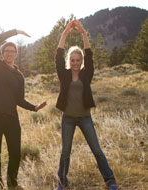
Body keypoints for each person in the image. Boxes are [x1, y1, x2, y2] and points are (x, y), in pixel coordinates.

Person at [55, 20, 117, 190]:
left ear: (81, 61)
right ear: (69, 61)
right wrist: (65, 33)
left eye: (78, 60)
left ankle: (110, 180)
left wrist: (83, 33)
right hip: (67, 118)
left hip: (85, 118)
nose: (75, 63)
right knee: (65, 152)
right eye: (72, 60)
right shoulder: (64, 75)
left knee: (96, 150)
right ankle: (62, 183)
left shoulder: (86, 74)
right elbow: (58, 55)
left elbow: (89, 55)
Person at [0, 29, 47, 190]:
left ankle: (12, 181)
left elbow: (19, 100)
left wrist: (34, 107)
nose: (9, 53)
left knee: (15, 153)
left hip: (11, 118)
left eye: (12, 51)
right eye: (7, 51)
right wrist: (15, 32)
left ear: (16, 54)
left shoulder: (19, 76)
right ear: (3, 53)